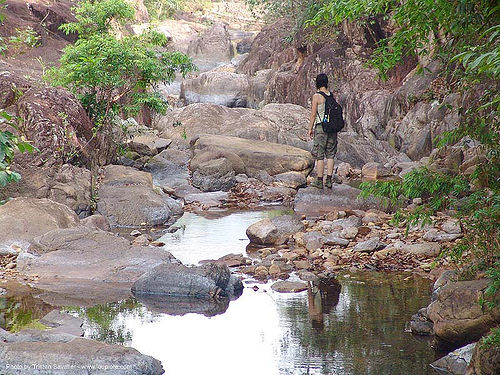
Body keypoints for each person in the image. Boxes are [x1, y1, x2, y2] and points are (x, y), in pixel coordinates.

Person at [308, 73, 340, 189]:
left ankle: (319, 181)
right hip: (332, 128)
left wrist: (310, 128)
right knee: (331, 155)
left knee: (320, 155)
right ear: (326, 83)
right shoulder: (331, 95)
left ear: (317, 83)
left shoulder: (316, 96)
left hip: (321, 128)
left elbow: (313, 115)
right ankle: (329, 180)